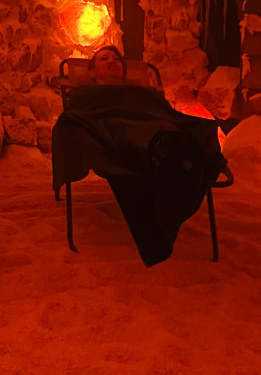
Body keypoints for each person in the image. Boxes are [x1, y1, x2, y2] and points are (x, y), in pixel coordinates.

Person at [52, 46, 226, 266]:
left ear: (124, 71)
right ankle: (165, 155)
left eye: (116, 59)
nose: (111, 61)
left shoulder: (145, 93)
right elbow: (79, 118)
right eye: (104, 59)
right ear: (93, 72)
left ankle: (167, 152)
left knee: (194, 130)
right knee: (135, 137)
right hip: (117, 129)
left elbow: (165, 114)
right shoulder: (86, 94)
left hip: (157, 127)